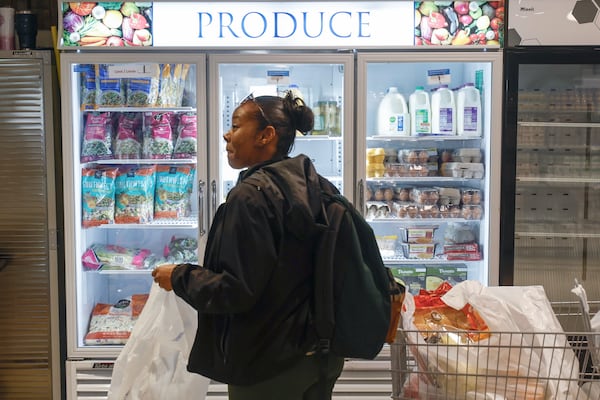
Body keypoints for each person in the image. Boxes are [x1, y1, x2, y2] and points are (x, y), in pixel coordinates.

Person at [152, 91, 345, 399]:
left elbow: (236, 290)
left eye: (236, 125)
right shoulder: (316, 186)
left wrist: (178, 277)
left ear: (265, 135)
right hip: (320, 355)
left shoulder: (252, 196)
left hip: (268, 363)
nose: (227, 135)